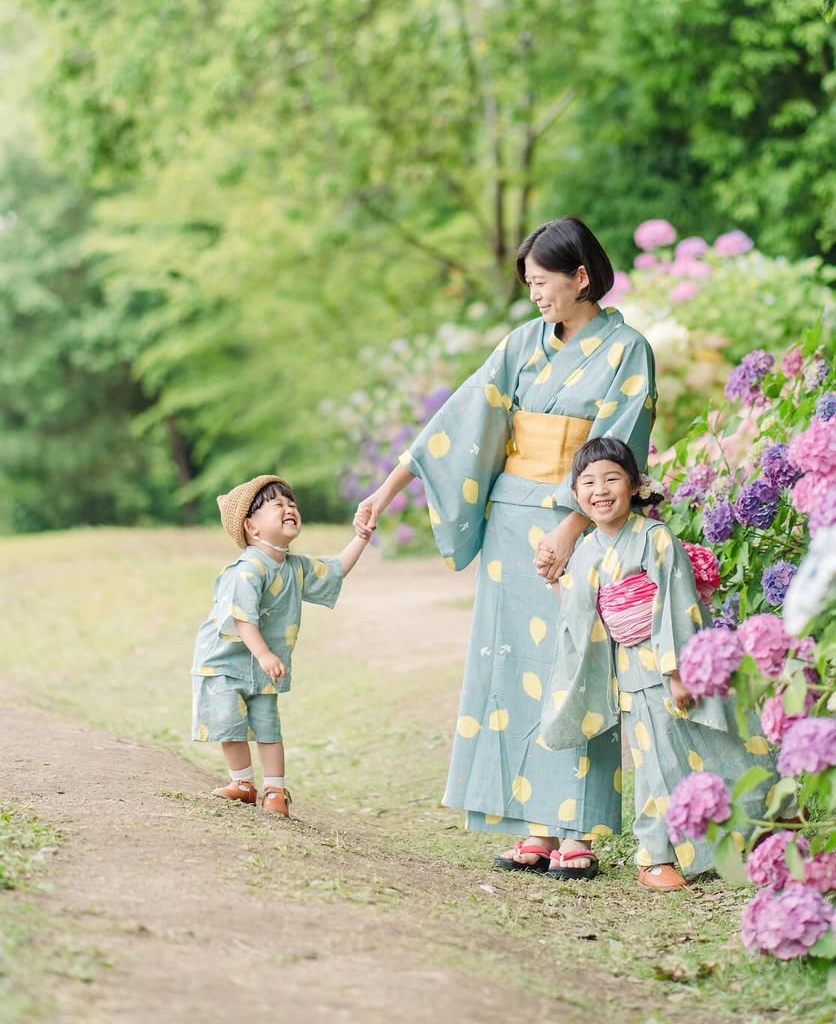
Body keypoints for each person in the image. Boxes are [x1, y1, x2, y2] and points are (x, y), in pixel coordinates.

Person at [354, 217, 656, 876]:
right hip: (510, 524)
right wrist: (387, 489)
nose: (535, 295)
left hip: (580, 524)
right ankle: (532, 825)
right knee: (512, 665)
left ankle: (577, 829)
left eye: (543, 282)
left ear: (581, 276)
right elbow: (459, 421)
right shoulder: (523, 344)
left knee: (575, 664)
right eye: (529, 284)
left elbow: (619, 445)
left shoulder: (627, 350)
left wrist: (572, 525)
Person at [540, 437, 778, 890]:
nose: (600, 490)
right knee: (656, 765)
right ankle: (655, 857)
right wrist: (554, 581)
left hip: (680, 663)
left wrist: (677, 671)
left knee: (726, 740)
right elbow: (578, 613)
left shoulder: (655, 537)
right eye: (588, 482)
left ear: (634, 485)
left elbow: (677, 602)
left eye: (612, 478)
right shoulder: (586, 550)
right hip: (633, 672)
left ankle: (765, 823)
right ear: (575, 494)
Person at [192, 474, 371, 818]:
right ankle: (242, 783)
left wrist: (361, 538)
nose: (289, 508)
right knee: (231, 724)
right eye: (278, 505)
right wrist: (263, 654)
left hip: (265, 663)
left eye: (292, 504)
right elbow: (242, 617)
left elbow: (333, 570)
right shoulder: (247, 570)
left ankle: (275, 790)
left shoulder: (294, 567)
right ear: (252, 527)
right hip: (225, 662)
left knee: (267, 724)